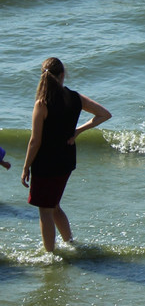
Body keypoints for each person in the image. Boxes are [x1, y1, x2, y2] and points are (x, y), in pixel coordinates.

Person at [21, 57, 111, 254]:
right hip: (66, 161)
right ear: (62, 75)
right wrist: (78, 130)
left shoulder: (42, 103)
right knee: (53, 205)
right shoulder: (75, 98)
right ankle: (70, 244)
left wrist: (26, 166)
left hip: (46, 162)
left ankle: (50, 254)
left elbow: (35, 141)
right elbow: (104, 114)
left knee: (45, 210)